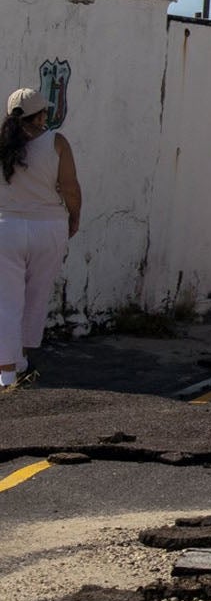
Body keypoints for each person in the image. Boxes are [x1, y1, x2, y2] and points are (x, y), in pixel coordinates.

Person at [0, 87, 81, 393]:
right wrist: (74, 217)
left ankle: (7, 373)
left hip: (5, 228)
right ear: (40, 115)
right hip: (48, 228)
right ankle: (19, 360)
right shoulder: (56, 143)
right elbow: (70, 188)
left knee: (6, 301)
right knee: (35, 296)